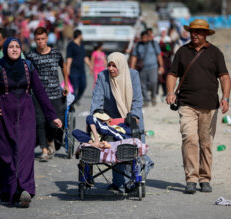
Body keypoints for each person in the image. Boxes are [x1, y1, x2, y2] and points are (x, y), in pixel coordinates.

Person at [0, 37, 62, 207]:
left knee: (25, 154)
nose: (14, 50)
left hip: (26, 115)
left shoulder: (28, 67)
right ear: (5, 49)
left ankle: (24, 190)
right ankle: (9, 190)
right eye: (10, 47)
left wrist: (52, 116)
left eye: (17, 47)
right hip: (2, 116)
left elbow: (40, 92)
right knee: (6, 156)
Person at [166, 19, 231, 194]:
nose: (194, 34)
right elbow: (172, 74)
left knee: (206, 143)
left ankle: (205, 178)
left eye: (199, 31)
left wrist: (226, 97)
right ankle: (191, 178)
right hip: (186, 104)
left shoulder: (215, 53)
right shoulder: (182, 52)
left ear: (206, 34)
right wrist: (170, 92)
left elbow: (224, 76)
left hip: (210, 106)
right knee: (189, 138)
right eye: (192, 31)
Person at [90, 52, 153, 193]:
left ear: (122, 66)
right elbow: (96, 101)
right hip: (112, 120)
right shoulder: (102, 77)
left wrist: (134, 116)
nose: (111, 68)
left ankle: (134, 180)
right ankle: (119, 183)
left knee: (134, 153)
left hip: (131, 118)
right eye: (109, 65)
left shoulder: (133, 75)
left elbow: (137, 99)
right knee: (115, 151)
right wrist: (96, 118)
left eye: (115, 66)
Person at [26, 27, 69, 161]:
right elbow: (27, 73)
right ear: (35, 40)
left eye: (43, 39)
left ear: (47, 39)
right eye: (38, 39)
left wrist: (66, 84)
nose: (40, 42)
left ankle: (50, 141)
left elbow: (63, 66)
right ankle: (44, 150)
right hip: (38, 94)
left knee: (53, 123)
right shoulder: (30, 55)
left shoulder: (56, 53)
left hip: (55, 93)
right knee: (40, 121)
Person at [130, 30, 164, 107]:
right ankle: (146, 99)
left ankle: (153, 96)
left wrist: (161, 66)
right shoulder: (138, 45)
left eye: (146, 37)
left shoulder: (154, 43)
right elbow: (134, 56)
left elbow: (159, 55)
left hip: (153, 67)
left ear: (148, 37)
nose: (144, 39)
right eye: (143, 38)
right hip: (142, 68)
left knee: (154, 82)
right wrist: (132, 68)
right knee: (142, 84)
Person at [66, 29, 92, 105]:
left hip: (81, 70)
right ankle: (71, 104)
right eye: (82, 35)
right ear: (79, 35)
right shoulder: (71, 45)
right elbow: (69, 57)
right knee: (74, 88)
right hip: (74, 70)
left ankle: (75, 99)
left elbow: (85, 57)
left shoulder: (81, 45)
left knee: (83, 85)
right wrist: (68, 68)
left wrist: (90, 66)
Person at [154, 27, 173, 97]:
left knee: (165, 77)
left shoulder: (167, 40)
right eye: (162, 31)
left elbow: (169, 51)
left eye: (164, 31)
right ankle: (155, 93)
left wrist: (163, 54)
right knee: (158, 77)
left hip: (166, 62)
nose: (163, 33)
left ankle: (165, 92)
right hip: (157, 61)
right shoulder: (157, 40)